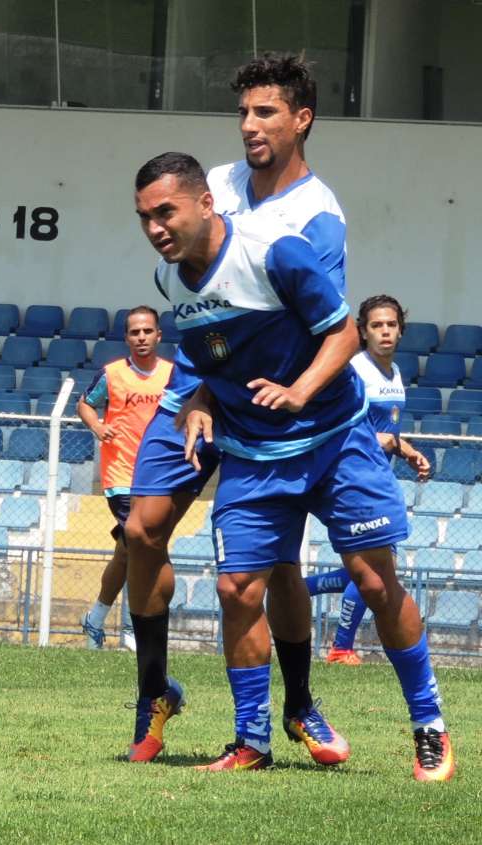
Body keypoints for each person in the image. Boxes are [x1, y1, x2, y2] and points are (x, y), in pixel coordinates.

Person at [134, 151, 453, 782]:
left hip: (333, 438)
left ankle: (430, 727)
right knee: (235, 589)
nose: (155, 228)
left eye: (166, 212)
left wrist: (300, 391)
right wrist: (198, 399)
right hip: (253, 454)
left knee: (375, 583)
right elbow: (212, 354)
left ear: (205, 204)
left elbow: (343, 334)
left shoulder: (274, 251)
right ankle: (251, 739)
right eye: (144, 217)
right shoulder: (171, 281)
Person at [122, 53, 347, 766]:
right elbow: (189, 293)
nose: (249, 125)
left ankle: (300, 706)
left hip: (265, 406)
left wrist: (280, 393)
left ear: (301, 119)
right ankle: (154, 690)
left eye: (265, 112)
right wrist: (195, 392)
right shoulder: (211, 183)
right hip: (197, 391)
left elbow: (318, 322)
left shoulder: (317, 216)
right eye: (244, 112)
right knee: (141, 526)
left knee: (273, 565)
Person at [306, 295, 431, 665]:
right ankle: (341, 647)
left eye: (391, 324)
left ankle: (301, 591)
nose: (385, 331)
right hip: (354, 479)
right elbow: (347, 430)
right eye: (377, 325)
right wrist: (397, 445)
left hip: (378, 479)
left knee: (366, 572)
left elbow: (386, 430)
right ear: (362, 331)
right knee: (377, 571)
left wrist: (407, 449)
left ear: (401, 330)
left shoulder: (394, 376)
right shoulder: (356, 370)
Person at [78, 307, 173, 651]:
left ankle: (95, 618)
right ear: (127, 338)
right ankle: (137, 626)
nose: (142, 337)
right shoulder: (113, 374)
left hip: (157, 477)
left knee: (128, 552)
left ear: (159, 335)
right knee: (146, 546)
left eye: (148, 331)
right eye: (135, 332)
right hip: (120, 477)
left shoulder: (172, 375)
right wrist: (99, 427)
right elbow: (86, 404)